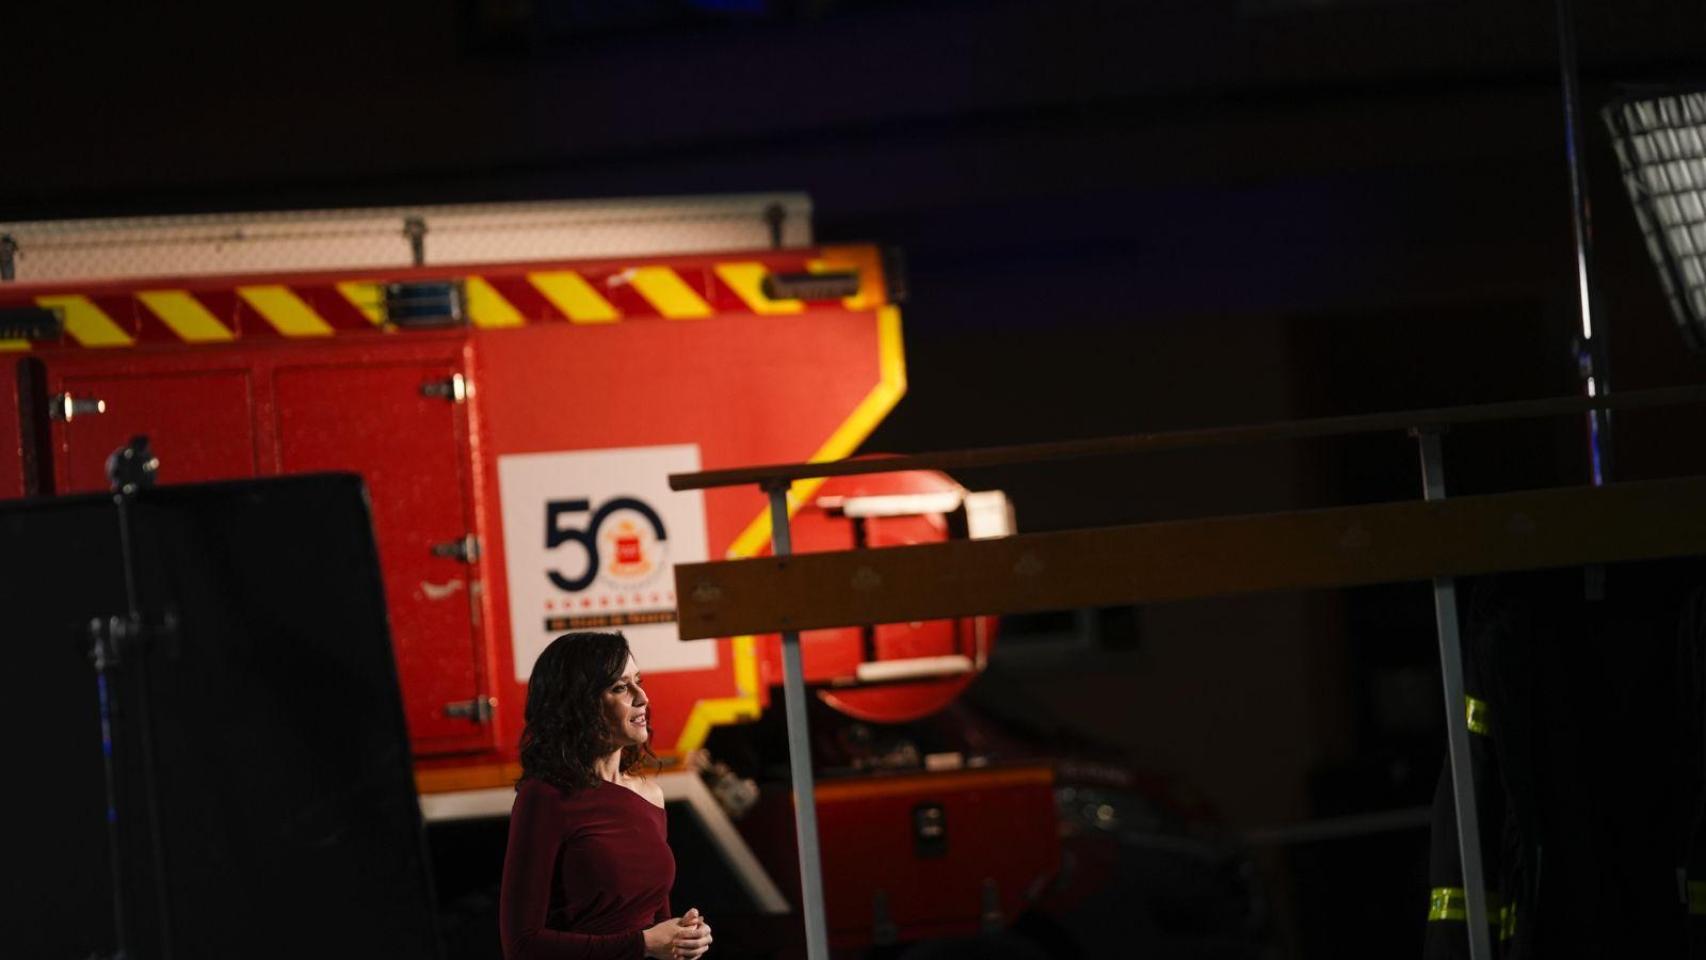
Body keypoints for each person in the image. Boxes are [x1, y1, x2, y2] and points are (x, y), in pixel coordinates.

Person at [501, 631, 713, 960]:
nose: (642, 697)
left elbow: (657, 924)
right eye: (619, 688)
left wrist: (682, 939)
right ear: (580, 706)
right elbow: (522, 945)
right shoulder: (544, 798)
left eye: (638, 681)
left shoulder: (650, 795)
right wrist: (643, 944)